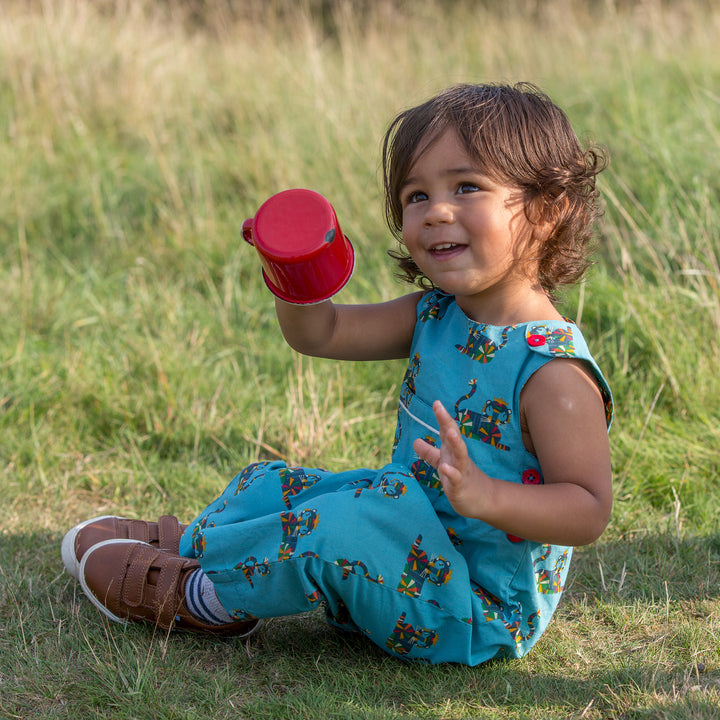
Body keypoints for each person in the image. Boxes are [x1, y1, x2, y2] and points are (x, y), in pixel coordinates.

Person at [61, 82, 613, 665]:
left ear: (549, 211)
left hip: (467, 610)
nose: (436, 211)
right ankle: (203, 543)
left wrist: (486, 496)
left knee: (341, 522)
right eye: (416, 195)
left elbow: (588, 509)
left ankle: (203, 598)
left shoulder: (551, 370)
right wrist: (292, 268)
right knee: (277, 484)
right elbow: (318, 333)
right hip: (402, 536)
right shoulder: (436, 315)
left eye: (467, 186)